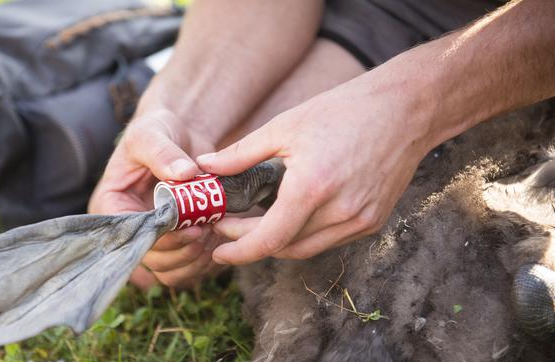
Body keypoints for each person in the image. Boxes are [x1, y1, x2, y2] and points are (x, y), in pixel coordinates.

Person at [88, 0, 555, 288]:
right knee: (162, 261)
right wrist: (178, 110)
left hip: (521, 41)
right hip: (391, 11)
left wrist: (411, 109)